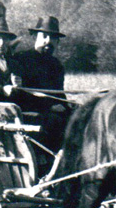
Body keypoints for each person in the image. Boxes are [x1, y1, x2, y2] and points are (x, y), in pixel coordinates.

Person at [13, 16, 72, 153]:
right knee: (54, 122)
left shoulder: (56, 65)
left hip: (51, 113)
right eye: (44, 36)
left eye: (53, 38)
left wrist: (66, 105)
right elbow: (20, 94)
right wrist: (50, 107)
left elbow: (59, 94)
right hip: (30, 113)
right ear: (35, 37)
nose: (48, 41)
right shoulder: (21, 59)